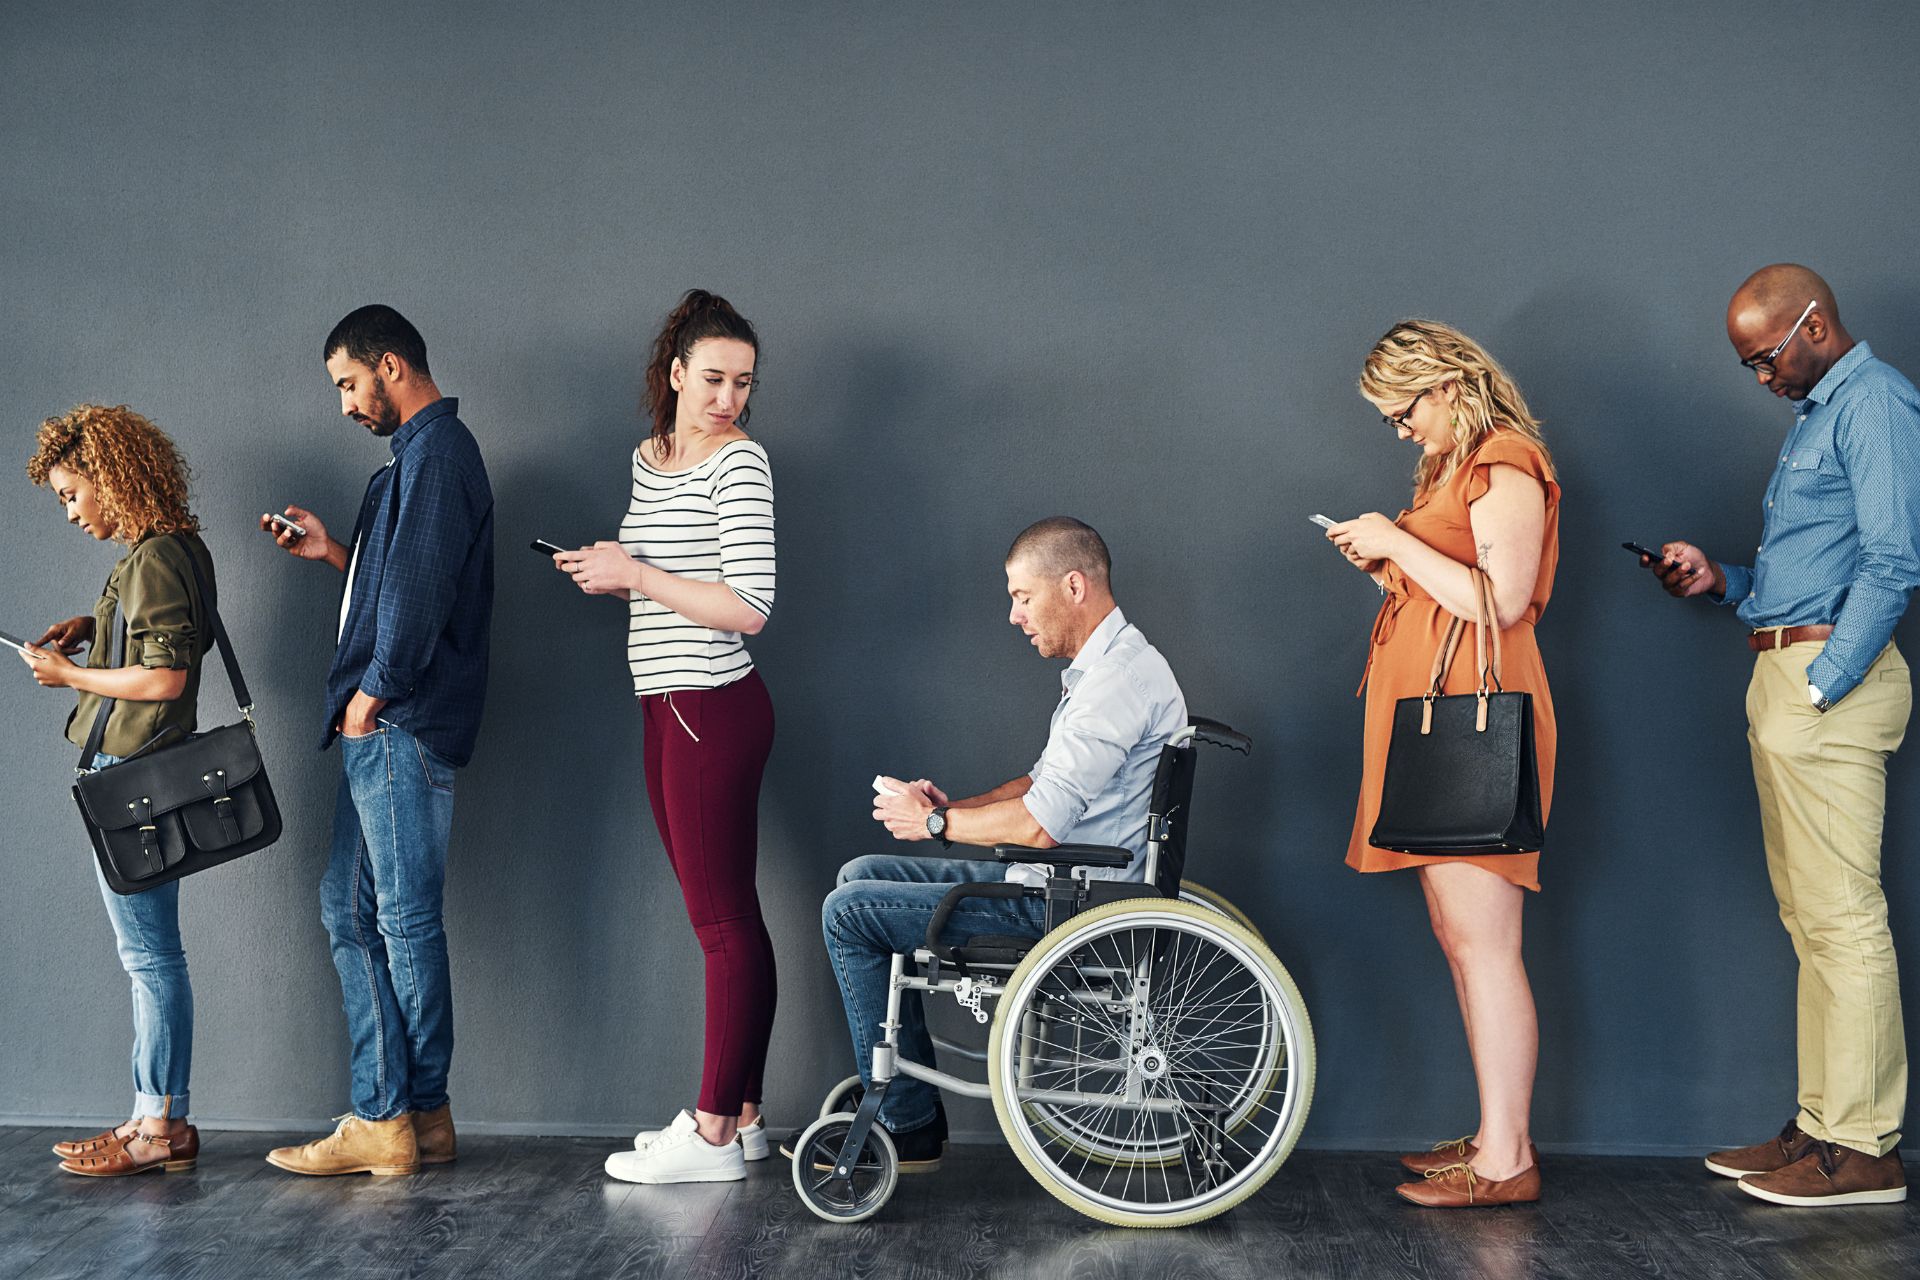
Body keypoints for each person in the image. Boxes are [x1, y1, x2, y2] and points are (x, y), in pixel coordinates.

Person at [1643, 264, 1919, 1207]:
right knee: (1812, 923)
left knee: (1844, 921)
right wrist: (1720, 580)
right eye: (1749, 369)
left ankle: (1867, 1149)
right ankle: (1822, 1127)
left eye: (1768, 359)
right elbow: (1807, 572)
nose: (1763, 380)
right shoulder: (1819, 416)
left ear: (1813, 324)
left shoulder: (1874, 402)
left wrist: (1824, 683)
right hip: (1787, 670)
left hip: (1824, 688)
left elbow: (1893, 562)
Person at [812, 517, 1186, 1173]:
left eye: (1022, 596)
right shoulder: (1111, 668)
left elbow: (1040, 825)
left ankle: (907, 1121)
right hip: (1060, 885)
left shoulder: (1114, 684)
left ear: (1072, 586)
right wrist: (954, 808)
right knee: (861, 872)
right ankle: (907, 1099)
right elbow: (1040, 783)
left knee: (848, 913)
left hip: (1066, 907)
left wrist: (933, 828)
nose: (1014, 616)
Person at [1327, 320, 1558, 1208]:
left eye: (1402, 412)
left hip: (1473, 720)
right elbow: (1450, 586)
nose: (1400, 430)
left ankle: (1506, 1161)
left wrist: (1395, 542)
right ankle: (1500, 1133)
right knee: (1462, 940)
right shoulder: (1453, 469)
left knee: (1487, 944)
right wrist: (1389, 557)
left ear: (1450, 383)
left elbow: (1498, 602)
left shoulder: (1505, 460)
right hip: (1437, 718)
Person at [262, 305, 494, 1177]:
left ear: (390, 365)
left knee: (392, 919)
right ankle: (419, 1116)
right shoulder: (422, 460)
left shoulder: (436, 456)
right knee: (365, 913)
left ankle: (387, 1115)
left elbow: (417, 602)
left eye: (348, 384)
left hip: (397, 723)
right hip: (394, 722)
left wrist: (371, 698)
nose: (346, 404)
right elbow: (399, 576)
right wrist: (333, 553)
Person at [554, 290, 778, 1186]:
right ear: (676, 373)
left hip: (709, 707)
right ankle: (749, 1118)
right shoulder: (650, 460)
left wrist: (635, 570)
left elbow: (748, 608)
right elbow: (673, 577)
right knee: (728, 919)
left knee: (723, 926)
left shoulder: (742, 465)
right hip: (664, 706)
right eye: (714, 378)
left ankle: (715, 1133)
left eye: (745, 383)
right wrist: (616, 577)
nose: (728, 398)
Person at [20, 404, 217, 1177]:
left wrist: (69, 674)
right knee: (152, 955)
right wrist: (93, 626)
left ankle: (155, 1128)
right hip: (142, 776)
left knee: (150, 959)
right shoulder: (171, 548)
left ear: (109, 476)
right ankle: (159, 1117)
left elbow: (167, 676)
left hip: (132, 777)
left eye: (73, 493)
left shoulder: (155, 557)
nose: (70, 512)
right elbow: (160, 641)